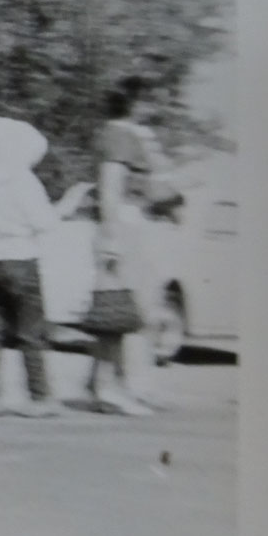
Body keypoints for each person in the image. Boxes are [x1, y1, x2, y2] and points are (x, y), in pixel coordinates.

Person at [0, 117, 86, 417]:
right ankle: (39, 397)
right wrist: (68, 203)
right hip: (21, 260)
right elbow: (45, 223)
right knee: (31, 333)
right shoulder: (23, 180)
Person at [87, 76, 178, 414]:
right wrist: (112, 237)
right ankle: (109, 388)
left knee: (124, 309)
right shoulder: (120, 134)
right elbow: (110, 188)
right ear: (135, 102)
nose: (153, 107)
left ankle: (109, 384)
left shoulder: (126, 134)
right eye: (148, 99)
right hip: (123, 224)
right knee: (119, 308)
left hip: (130, 223)